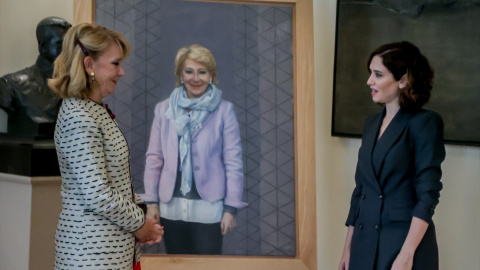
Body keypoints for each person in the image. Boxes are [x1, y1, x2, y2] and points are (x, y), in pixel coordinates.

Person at [48, 23, 163, 270]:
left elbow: (115, 183)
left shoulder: (93, 110)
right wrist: (140, 224)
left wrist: (143, 214)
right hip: (90, 257)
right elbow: (98, 194)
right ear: (90, 66)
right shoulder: (79, 115)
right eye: (115, 63)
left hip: (109, 255)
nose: (121, 72)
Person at [338, 41, 446, 270]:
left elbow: (427, 195)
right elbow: (361, 192)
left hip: (402, 245)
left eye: (378, 74)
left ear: (403, 80)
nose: (369, 81)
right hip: (363, 245)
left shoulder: (425, 122)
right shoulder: (371, 124)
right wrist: (348, 248)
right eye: (370, 74)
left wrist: (407, 255)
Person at [141, 44, 247, 255]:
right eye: (189, 71)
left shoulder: (224, 111)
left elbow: (233, 162)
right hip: (170, 210)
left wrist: (231, 208)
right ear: (181, 74)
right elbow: (154, 158)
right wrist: (151, 202)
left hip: (210, 211)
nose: (195, 78)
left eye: (202, 72)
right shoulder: (164, 109)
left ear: (211, 75)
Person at [0, 16, 71, 137]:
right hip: (26, 153)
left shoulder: (79, 85)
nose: (69, 50)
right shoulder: (10, 85)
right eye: (60, 44)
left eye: (71, 44)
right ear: (43, 47)